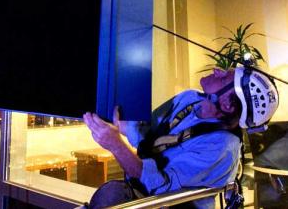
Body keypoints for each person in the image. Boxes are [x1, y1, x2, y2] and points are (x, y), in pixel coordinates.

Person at [83, 66, 279, 209]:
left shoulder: (222, 148)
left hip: (169, 204)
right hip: (141, 193)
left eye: (225, 77)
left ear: (227, 104)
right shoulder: (190, 98)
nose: (218, 70)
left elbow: (158, 187)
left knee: (112, 195)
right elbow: (149, 135)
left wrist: (116, 146)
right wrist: (120, 126)